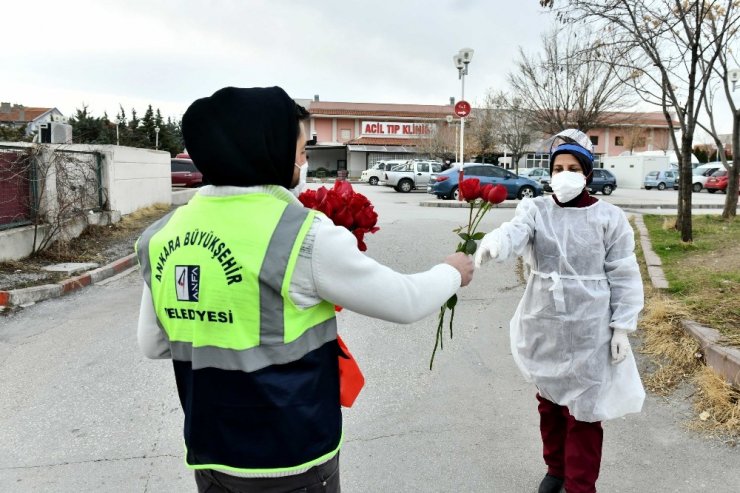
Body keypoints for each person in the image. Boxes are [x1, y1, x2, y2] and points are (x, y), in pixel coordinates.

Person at [135, 86, 474, 493]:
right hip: (292, 458)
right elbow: (405, 300)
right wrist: (452, 271)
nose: (303, 161)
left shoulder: (160, 237)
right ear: (269, 150)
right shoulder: (301, 234)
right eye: (300, 149)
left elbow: (153, 344)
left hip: (212, 454)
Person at [474, 129, 645, 493]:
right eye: (558, 167)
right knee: (550, 404)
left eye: (572, 167)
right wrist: (496, 242)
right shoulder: (535, 209)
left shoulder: (609, 217)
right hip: (545, 320)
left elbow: (624, 272)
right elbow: (515, 231)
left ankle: (580, 484)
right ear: (549, 173)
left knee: (585, 410)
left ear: (586, 173)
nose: (564, 174)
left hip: (590, 325)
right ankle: (556, 470)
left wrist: (621, 327)